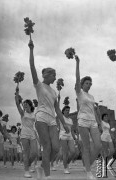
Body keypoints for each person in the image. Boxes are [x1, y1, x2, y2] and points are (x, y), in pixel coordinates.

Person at [28, 40, 69, 180]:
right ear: (46, 75)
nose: (55, 77)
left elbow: (58, 109)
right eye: (53, 75)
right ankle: (47, 176)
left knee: (56, 148)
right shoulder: (39, 85)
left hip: (52, 119)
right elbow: (32, 66)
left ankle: (42, 166)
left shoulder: (53, 92)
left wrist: (64, 124)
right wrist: (31, 49)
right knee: (46, 146)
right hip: (41, 118)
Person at [75, 54, 102, 180]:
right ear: (82, 84)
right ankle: (88, 172)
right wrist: (78, 63)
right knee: (86, 147)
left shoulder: (91, 97)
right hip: (82, 121)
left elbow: (94, 110)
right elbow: (77, 77)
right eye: (87, 83)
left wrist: (99, 122)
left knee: (98, 146)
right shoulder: (79, 93)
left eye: (90, 83)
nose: (89, 84)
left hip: (93, 122)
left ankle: (87, 164)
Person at [15, 89, 38, 178]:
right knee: (26, 153)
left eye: (25, 104)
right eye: (23, 104)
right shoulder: (22, 113)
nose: (24, 105)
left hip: (32, 133)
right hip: (24, 134)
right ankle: (26, 171)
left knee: (35, 153)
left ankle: (27, 165)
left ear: (29, 105)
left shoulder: (33, 114)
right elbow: (17, 104)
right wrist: (17, 93)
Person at [59, 105, 76, 174]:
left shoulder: (70, 120)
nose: (68, 111)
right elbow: (57, 110)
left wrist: (75, 138)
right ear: (63, 111)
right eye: (66, 110)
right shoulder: (61, 117)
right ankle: (65, 168)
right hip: (63, 135)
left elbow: (71, 130)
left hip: (70, 136)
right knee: (65, 153)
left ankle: (66, 163)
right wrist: (58, 99)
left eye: (68, 110)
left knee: (73, 151)